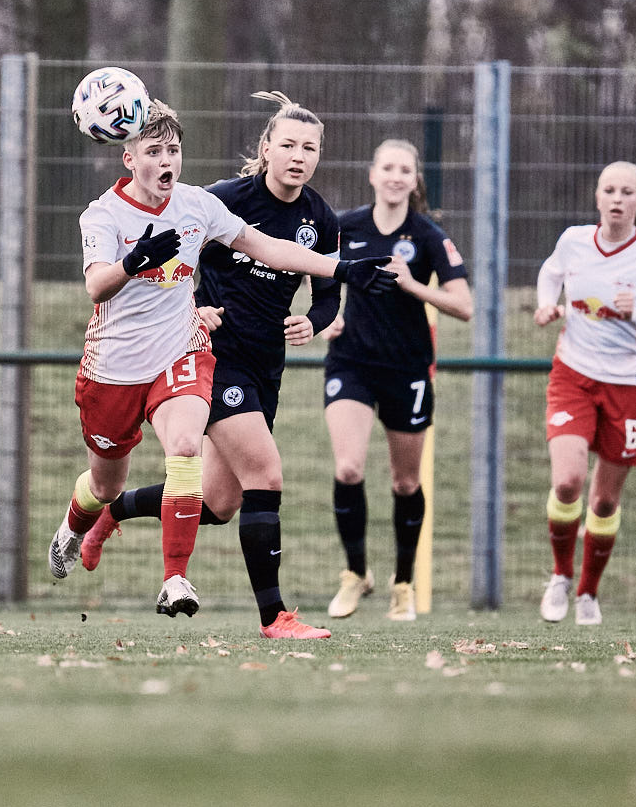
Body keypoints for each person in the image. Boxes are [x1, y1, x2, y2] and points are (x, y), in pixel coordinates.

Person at [46, 99, 399, 621]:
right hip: (123, 366)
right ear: (129, 158)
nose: (167, 160)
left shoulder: (200, 206)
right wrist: (135, 263)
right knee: (111, 483)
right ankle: (96, 515)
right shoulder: (104, 214)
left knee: (214, 493)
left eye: (174, 150)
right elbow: (96, 284)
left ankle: (176, 580)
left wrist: (343, 272)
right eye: (154, 151)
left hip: (192, 355)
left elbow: (274, 251)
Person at [321, 139, 473, 623]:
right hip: (352, 365)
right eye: (387, 167)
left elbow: (464, 306)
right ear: (372, 174)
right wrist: (325, 316)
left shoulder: (428, 236)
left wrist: (412, 285)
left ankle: (402, 583)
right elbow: (310, 272)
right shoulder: (345, 227)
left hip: (407, 369)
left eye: (404, 169)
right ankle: (355, 573)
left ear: (414, 179)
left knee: (406, 482)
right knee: (348, 468)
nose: (395, 176)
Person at [533, 160, 636, 626]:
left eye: (627, 192)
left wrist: (635, 312)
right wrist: (544, 304)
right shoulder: (573, 241)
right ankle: (559, 576)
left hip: (629, 384)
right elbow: (551, 273)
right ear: (597, 198)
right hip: (573, 374)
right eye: (609, 190)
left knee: (603, 503)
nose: (617, 200)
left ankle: (588, 594)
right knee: (567, 482)